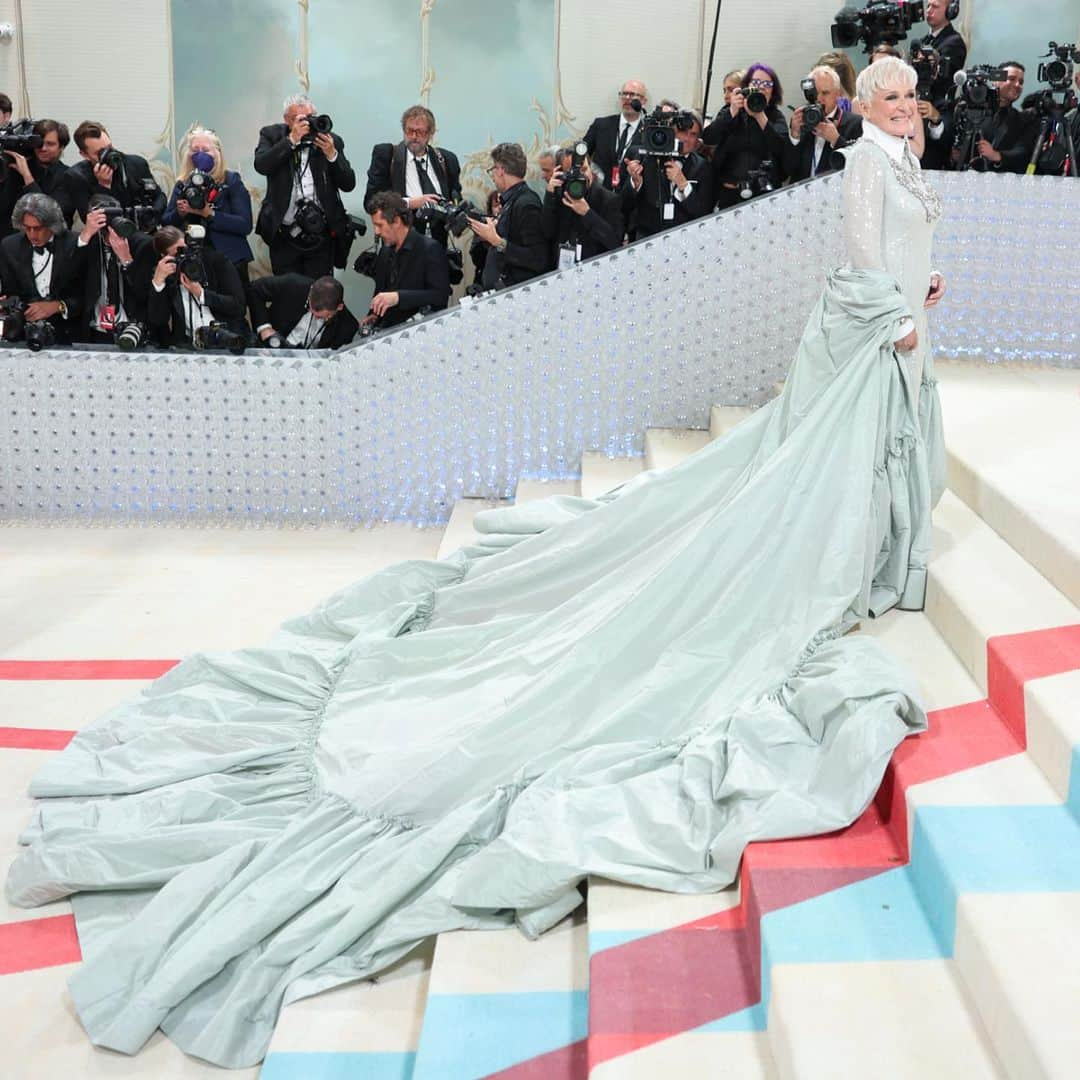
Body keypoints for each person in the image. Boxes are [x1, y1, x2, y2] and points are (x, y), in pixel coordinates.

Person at [6, 56, 945, 1074]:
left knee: (863, 454)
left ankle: (871, 551)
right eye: (888, 98)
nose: (901, 109)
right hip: (873, 331)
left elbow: (897, 244)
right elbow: (859, 259)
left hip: (896, 327)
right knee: (813, 472)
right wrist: (890, 310)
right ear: (869, 109)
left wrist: (917, 289)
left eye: (906, 97)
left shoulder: (907, 155)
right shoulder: (864, 164)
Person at [254, 94, 356, 278]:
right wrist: (291, 141)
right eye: (300, 119)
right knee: (287, 293)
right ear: (287, 120)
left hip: (321, 235)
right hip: (284, 234)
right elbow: (261, 165)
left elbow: (348, 184)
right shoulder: (271, 135)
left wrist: (332, 155)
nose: (307, 124)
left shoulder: (330, 140)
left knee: (322, 292)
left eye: (311, 117)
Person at [164, 127, 255, 289]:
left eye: (206, 150)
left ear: (217, 153)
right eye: (195, 150)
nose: (200, 154)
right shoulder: (183, 184)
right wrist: (180, 213)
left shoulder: (231, 181)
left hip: (230, 258)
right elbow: (166, 224)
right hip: (194, 258)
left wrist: (208, 213)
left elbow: (244, 224)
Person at [364, 105, 462, 247]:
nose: (414, 137)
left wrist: (453, 206)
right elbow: (370, 202)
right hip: (400, 245)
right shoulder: (386, 155)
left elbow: (456, 195)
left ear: (431, 133)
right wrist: (411, 203)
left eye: (420, 132)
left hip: (437, 245)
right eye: (410, 131)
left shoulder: (447, 159)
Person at [0, 192, 84, 344]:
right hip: (23, 335)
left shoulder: (74, 243)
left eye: (38, 228)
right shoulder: (9, 246)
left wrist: (59, 306)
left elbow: (89, 293)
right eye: (27, 228)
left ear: (52, 225)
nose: (32, 235)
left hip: (69, 334)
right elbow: (10, 291)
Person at [142, 224, 246, 346]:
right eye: (178, 254)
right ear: (164, 257)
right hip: (187, 345)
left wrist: (201, 294)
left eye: (186, 250)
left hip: (227, 339)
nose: (185, 256)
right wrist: (158, 283)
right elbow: (158, 320)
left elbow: (238, 306)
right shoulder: (166, 275)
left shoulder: (215, 261)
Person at [704, 63, 789, 209]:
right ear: (746, 86)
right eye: (756, 82)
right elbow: (709, 137)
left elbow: (781, 149)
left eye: (767, 84)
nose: (761, 87)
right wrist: (732, 111)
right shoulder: (731, 111)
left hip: (764, 195)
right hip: (729, 193)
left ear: (773, 91)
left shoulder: (775, 116)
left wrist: (760, 116)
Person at [365, 190, 450, 329]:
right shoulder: (385, 252)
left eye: (380, 225)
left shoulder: (429, 249)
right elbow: (381, 290)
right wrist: (374, 314)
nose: (376, 232)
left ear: (397, 221)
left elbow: (440, 295)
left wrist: (398, 297)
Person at [467, 142, 547, 290]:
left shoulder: (527, 204)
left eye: (492, 170)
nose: (492, 176)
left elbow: (538, 258)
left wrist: (496, 241)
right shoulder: (511, 200)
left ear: (501, 170)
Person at [74, 194, 151, 344]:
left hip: (132, 328)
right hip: (95, 329)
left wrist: (126, 259)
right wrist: (86, 235)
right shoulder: (86, 242)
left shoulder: (141, 244)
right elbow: (70, 279)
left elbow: (146, 292)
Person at [625, 110, 714, 237]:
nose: (686, 139)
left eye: (693, 134)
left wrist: (683, 185)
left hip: (685, 237)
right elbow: (624, 204)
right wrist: (635, 182)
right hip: (647, 237)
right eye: (682, 132)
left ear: (698, 140)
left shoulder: (703, 167)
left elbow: (703, 214)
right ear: (671, 132)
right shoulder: (646, 159)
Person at [65, 121, 167, 227]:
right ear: (85, 155)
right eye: (100, 152)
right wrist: (104, 186)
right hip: (109, 236)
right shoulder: (77, 176)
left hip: (144, 231)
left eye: (109, 147)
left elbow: (160, 196)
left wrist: (153, 214)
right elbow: (91, 219)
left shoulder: (137, 163)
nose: (109, 154)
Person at [541, 146, 623, 267]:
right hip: (562, 269)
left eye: (584, 170)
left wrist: (588, 213)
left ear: (591, 169)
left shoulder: (608, 199)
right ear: (560, 173)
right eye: (572, 172)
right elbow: (547, 232)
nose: (580, 176)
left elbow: (615, 242)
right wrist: (549, 195)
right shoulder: (558, 195)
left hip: (595, 269)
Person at [952, 62, 1038, 173]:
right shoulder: (966, 108)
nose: (1017, 85)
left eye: (1021, 82)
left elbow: (1023, 152)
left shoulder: (1021, 120)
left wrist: (997, 156)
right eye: (1011, 79)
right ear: (996, 81)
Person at [786, 66, 863, 180]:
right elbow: (788, 170)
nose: (819, 98)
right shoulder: (801, 121)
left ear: (837, 94)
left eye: (825, 93)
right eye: (815, 92)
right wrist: (794, 136)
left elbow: (859, 169)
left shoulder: (855, 123)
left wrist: (836, 140)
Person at [251, 273, 359, 349]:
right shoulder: (292, 284)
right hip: (273, 348)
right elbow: (254, 289)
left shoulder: (347, 327)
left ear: (339, 307)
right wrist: (265, 328)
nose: (315, 317)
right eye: (310, 309)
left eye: (322, 317)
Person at [584, 79, 648, 189]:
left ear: (643, 101)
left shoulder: (648, 133)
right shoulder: (601, 125)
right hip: (599, 194)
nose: (627, 98)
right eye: (624, 94)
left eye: (632, 95)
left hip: (631, 197)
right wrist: (588, 171)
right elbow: (582, 152)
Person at [914, 0, 967, 102]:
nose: (929, 10)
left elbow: (941, 82)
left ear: (950, 10)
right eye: (928, 6)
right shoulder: (923, 41)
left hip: (939, 108)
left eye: (935, 6)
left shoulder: (955, 42)